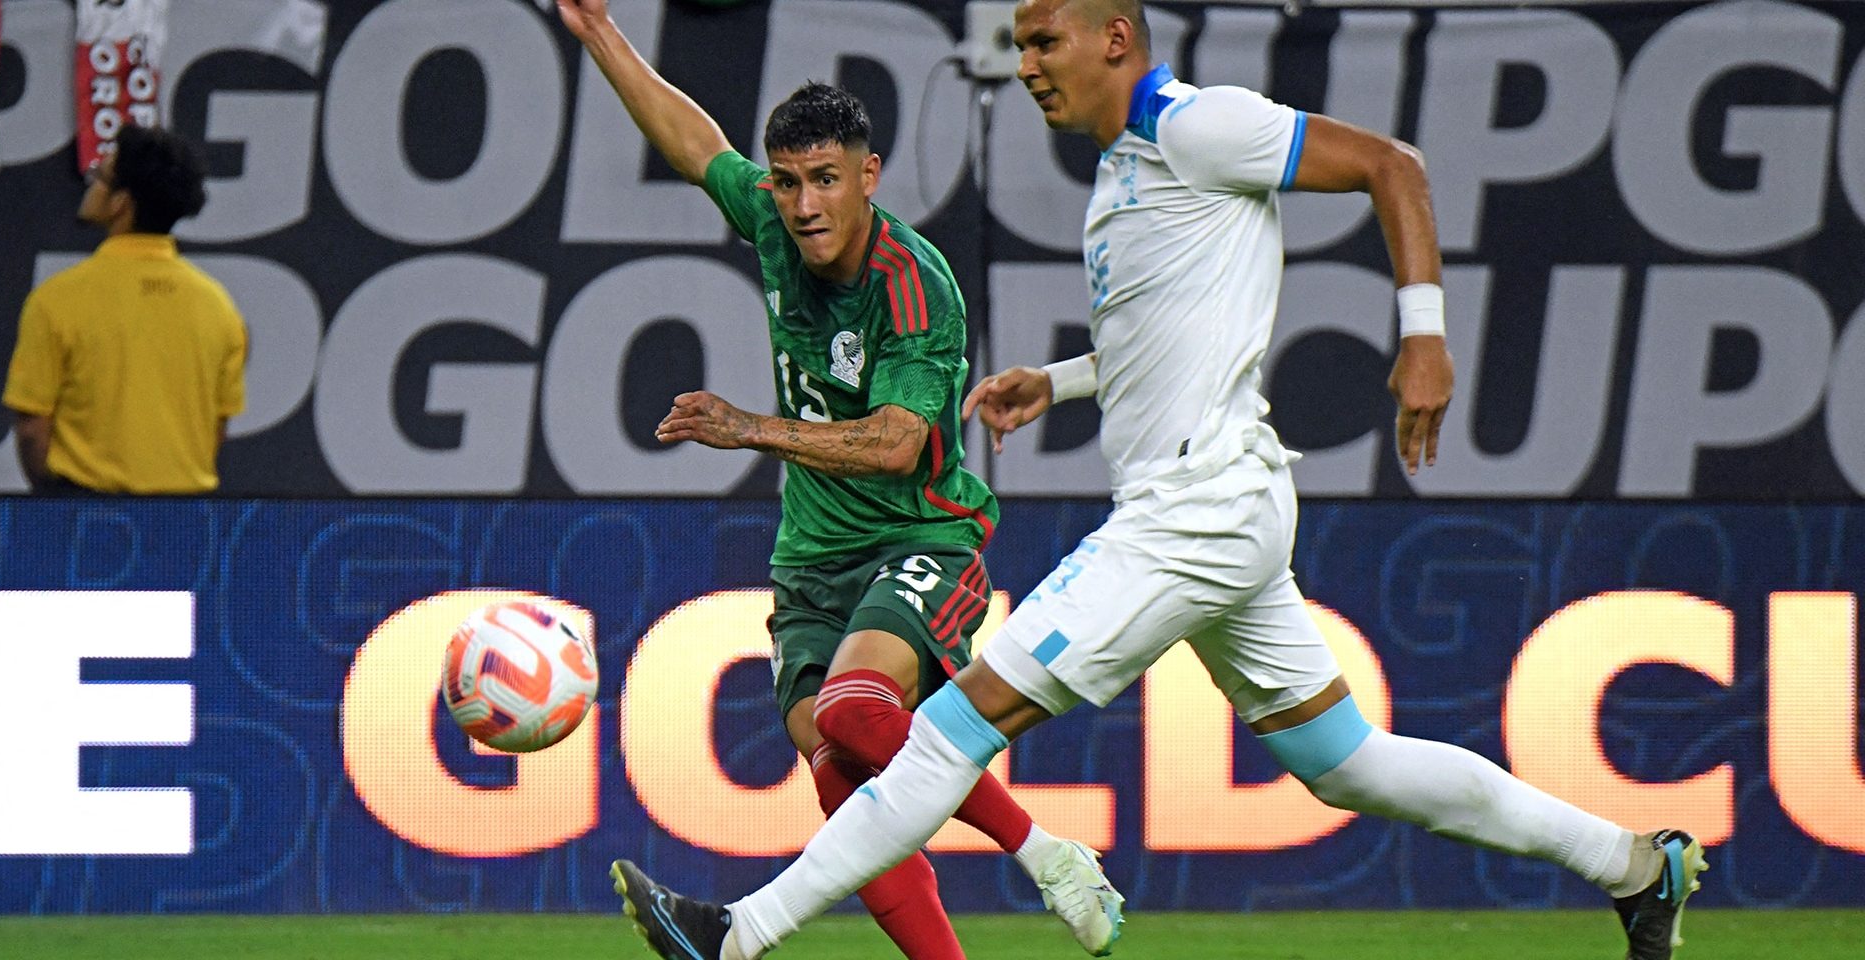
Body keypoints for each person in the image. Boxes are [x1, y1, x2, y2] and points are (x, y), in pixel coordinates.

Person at [608, 2, 1709, 960]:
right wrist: (1065, 379)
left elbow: (1393, 165)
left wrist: (1424, 336)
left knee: (948, 726)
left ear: (1114, 38)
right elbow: (1181, 328)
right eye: (1022, 41)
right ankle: (1626, 862)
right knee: (1348, 762)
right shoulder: (1128, 173)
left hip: (1194, 510)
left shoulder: (1199, 124)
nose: (1027, 59)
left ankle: (738, 933)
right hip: (1219, 506)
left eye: (1045, 39)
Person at [550, 2, 1125, 958]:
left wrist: (748, 429)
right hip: (812, 562)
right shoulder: (776, 225)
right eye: (785, 184)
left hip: (923, 541)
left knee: (860, 712)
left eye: (824, 180)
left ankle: (1044, 851)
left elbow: (899, 443)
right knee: (837, 770)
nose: (804, 205)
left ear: (868, 177)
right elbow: (696, 143)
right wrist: (602, 33)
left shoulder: (914, 283)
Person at [2, 124, 245, 495]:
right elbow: (217, 427)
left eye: (100, 176)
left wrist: (54, 504)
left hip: (82, 514)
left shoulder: (57, 299)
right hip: (187, 521)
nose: (92, 182)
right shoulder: (218, 305)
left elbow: (33, 428)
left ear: (121, 204)